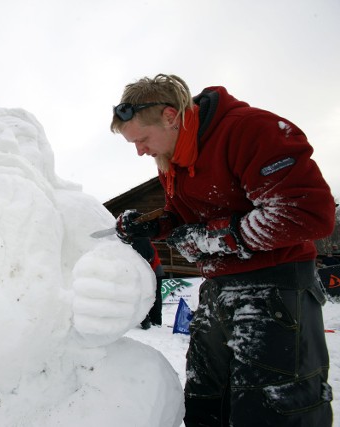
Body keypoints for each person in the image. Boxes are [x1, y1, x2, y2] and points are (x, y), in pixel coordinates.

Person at [110, 74, 335, 426]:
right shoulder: (175, 159)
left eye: (142, 139)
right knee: (205, 401)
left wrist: (210, 238)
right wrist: (155, 225)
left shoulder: (250, 131)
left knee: (271, 410)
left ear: (170, 116)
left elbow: (307, 213)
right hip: (218, 290)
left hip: (275, 290)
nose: (140, 151)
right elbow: (188, 218)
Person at [130, 237, 164, 329]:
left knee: (155, 296)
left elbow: (151, 255)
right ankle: (146, 319)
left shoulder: (141, 240)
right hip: (146, 272)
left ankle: (155, 321)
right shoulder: (135, 240)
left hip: (154, 271)